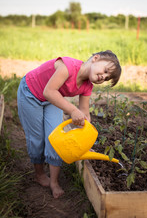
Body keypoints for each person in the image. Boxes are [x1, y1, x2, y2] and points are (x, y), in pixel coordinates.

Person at [17, 50, 121, 199]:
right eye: (105, 71)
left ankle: (54, 182)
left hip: (52, 100)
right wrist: (72, 110)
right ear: (96, 58)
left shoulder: (87, 86)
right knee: (37, 138)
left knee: (56, 138)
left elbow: (85, 113)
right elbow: (49, 91)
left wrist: (86, 139)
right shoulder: (68, 66)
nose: (103, 77)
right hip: (30, 93)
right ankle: (39, 174)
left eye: (106, 78)